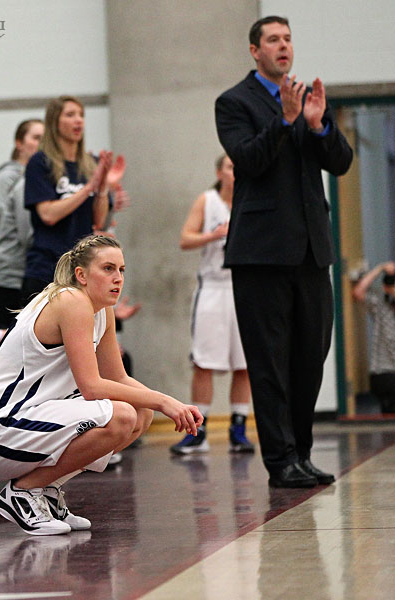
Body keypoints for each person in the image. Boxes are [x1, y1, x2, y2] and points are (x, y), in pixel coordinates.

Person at [0, 235, 202, 535]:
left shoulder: (101, 309)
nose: (118, 278)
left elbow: (118, 378)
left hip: (29, 423)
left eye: (122, 270)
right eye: (107, 269)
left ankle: (46, 489)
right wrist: (164, 402)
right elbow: (91, 387)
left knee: (140, 413)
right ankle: (23, 492)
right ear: (81, 275)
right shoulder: (71, 300)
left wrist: (163, 401)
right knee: (123, 415)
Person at [215, 15, 353, 488]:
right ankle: (280, 461)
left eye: (288, 39)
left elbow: (340, 162)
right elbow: (248, 160)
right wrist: (286, 120)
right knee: (269, 362)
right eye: (273, 40)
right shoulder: (233, 102)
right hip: (261, 253)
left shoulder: (305, 96)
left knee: (310, 358)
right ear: (254, 50)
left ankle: (304, 453)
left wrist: (316, 127)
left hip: (313, 250)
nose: (283, 46)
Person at [172, 154, 254, 455]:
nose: (236, 172)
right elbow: (185, 239)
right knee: (203, 361)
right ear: (220, 172)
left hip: (245, 288)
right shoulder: (207, 200)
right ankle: (199, 431)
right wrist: (214, 234)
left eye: (239, 166)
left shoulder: (253, 200)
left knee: (244, 363)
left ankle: (239, 428)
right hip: (213, 287)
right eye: (231, 167)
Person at [22, 95, 122, 300]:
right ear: (54, 122)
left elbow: (99, 221)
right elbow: (48, 214)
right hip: (47, 268)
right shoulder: (40, 163)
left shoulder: (92, 163)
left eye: (81, 115)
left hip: (83, 271)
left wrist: (102, 188)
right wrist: (88, 188)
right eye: (70, 115)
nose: (79, 120)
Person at [0, 119, 44, 329]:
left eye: (45, 139)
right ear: (19, 143)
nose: (42, 144)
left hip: (28, 272)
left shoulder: (38, 178)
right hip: (12, 276)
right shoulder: (9, 178)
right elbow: (16, 225)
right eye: (36, 138)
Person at [352, 262, 395, 413]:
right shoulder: (381, 305)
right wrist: (380, 268)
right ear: (386, 289)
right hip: (384, 373)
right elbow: (358, 292)